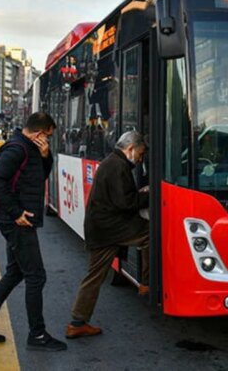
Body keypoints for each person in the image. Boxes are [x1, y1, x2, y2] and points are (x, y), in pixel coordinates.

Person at [0, 112, 67, 352]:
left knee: (15, 272)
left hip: (19, 221)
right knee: (36, 276)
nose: (49, 141)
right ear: (39, 134)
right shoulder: (16, 149)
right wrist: (15, 213)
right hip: (17, 222)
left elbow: (37, 178)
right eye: (49, 137)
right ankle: (37, 334)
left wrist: (45, 156)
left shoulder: (30, 148)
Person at [66, 131, 149, 339]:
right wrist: (147, 194)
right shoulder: (117, 166)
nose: (140, 160)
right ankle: (147, 283)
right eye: (140, 154)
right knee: (150, 234)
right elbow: (126, 203)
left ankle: (77, 322)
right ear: (130, 148)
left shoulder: (112, 162)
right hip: (111, 229)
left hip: (102, 228)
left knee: (94, 276)